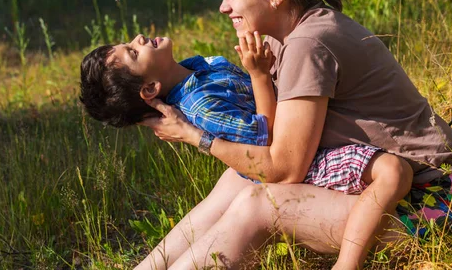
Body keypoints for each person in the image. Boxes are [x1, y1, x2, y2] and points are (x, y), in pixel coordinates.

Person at [129, 0, 452, 270]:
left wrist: (196, 137)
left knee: (259, 204)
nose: (223, 6)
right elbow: (270, 140)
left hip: (436, 198)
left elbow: (285, 169)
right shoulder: (289, 35)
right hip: (407, 187)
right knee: (238, 179)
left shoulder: (307, 44)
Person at [79, 33, 414, 267]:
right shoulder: (201, 102)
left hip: (296, 146)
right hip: (296, 154)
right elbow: (265, 143)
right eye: (133, 52)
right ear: (150, 88)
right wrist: (258, 76)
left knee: (237, 185)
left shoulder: (197, 69)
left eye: (129, 45)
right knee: (239, 185)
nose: (138, 39)